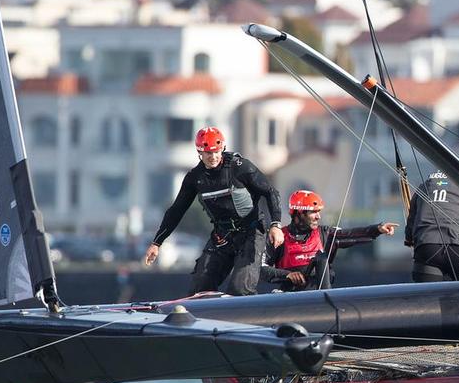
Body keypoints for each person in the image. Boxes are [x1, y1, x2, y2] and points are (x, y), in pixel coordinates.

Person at [144, 126, 283, 296]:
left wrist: (276, 224)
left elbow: (270, 192)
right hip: (222, 236)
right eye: (208, 153)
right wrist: (157, 243)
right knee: (199, 290)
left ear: (222, 148)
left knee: (240, 289)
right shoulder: (195, 177)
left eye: (217, 151)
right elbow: (176, 210)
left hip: (251, 232)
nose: (213, 157)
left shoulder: (239, 167)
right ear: (200, 153)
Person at [261, 190, 398, 291]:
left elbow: (351, 234)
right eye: (313, 212)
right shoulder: (279, 237)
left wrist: (377, 229)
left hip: (321, 297)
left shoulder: (324, 233)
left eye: (319, 211)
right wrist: (288, 275)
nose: (318, 216)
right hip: (291, 299)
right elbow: (261, 269)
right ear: (299, 214)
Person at [405, 171, 459, 282]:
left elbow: (411, 219)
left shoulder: (423, 187)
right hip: (457, 247)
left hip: (426, 247)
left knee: (428, 296)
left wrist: (409, 239)